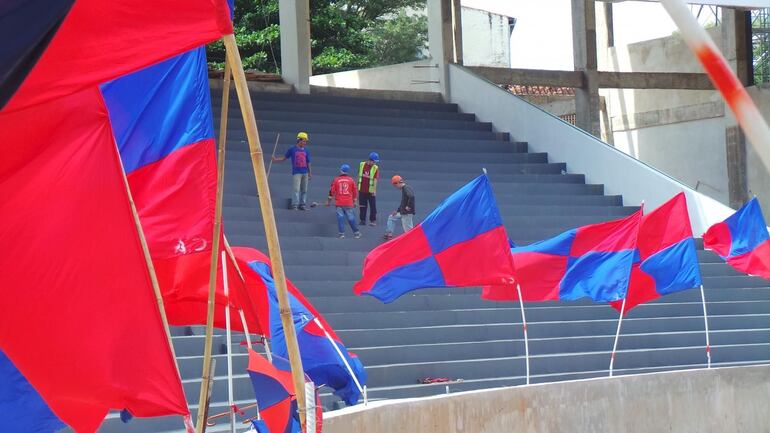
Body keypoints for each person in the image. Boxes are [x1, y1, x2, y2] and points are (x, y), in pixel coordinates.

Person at [272, 131, 311, 210]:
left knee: (304, 190)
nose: (305, 143)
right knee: (296, 189)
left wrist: (310, 173)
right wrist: (275, 159)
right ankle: (295, 205)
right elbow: (284, 158)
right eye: (304, 141)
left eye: (305, 141)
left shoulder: (306, 150)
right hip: (297, 172)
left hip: (305, 172)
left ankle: (302, 204)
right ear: (299, 140)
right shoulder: (292, 149)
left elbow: (308, 162)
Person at [326, 164, 361, 239]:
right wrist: (355, 201)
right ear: (348, 171)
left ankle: (341, 234)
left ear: (341, 170)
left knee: (340, 218)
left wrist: (328, 202)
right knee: (351, 218)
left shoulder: (336, 180)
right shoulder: (351, 180)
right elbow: (355, 192)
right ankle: (356, 233)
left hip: (339, 203)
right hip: (348, 203)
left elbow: (331, 192)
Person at [384, 175, 415, 240]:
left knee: (408, 230)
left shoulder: (406, 188)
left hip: (406, 213)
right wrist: (397, 211)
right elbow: (403, 202)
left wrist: (408, 206)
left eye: (395, 185)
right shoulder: (405, 189)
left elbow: (411, 196)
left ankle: (412, 242)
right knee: (391, 217)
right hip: (402, 212)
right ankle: (389, 233)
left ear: (397, 183)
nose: (396, 187)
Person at [357, 152, 380, 226]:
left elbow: (375, 179)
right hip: (362, 190)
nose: (375, 163)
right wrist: (357, 186)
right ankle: (362, 220)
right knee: (362, 206)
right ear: (370, 160)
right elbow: (359, 175)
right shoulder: (361, 165)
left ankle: (372, 220)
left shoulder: (375, 168)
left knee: (373, 206)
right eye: (374, 162)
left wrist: (374, 190)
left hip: (370, 191)